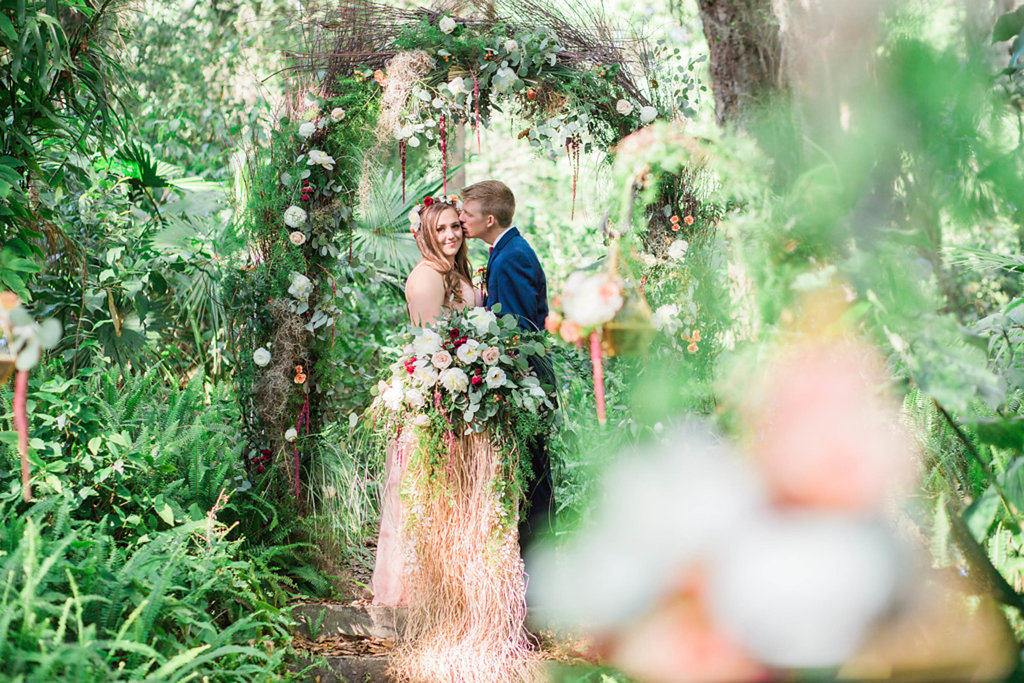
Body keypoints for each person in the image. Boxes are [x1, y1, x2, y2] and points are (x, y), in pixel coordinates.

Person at [370, 197, 481, 606]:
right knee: (426, 494)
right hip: (437, 401)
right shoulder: (427, 277)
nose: (451, 235)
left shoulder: (452, 271)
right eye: (441, 230)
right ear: (425, 236)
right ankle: (417, 591)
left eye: (456, 226)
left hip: (460, 397)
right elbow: (434, 348)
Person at [459, 179, 555, 552]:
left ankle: (540, 572)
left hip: (527, 381)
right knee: (530, 476)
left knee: (533, 479)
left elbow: (516, 329)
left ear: (491, 219)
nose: (463, 220)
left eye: (468, 215)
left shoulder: (512, 256)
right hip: (524, 380)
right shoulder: (505, 250)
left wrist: (512, 387)